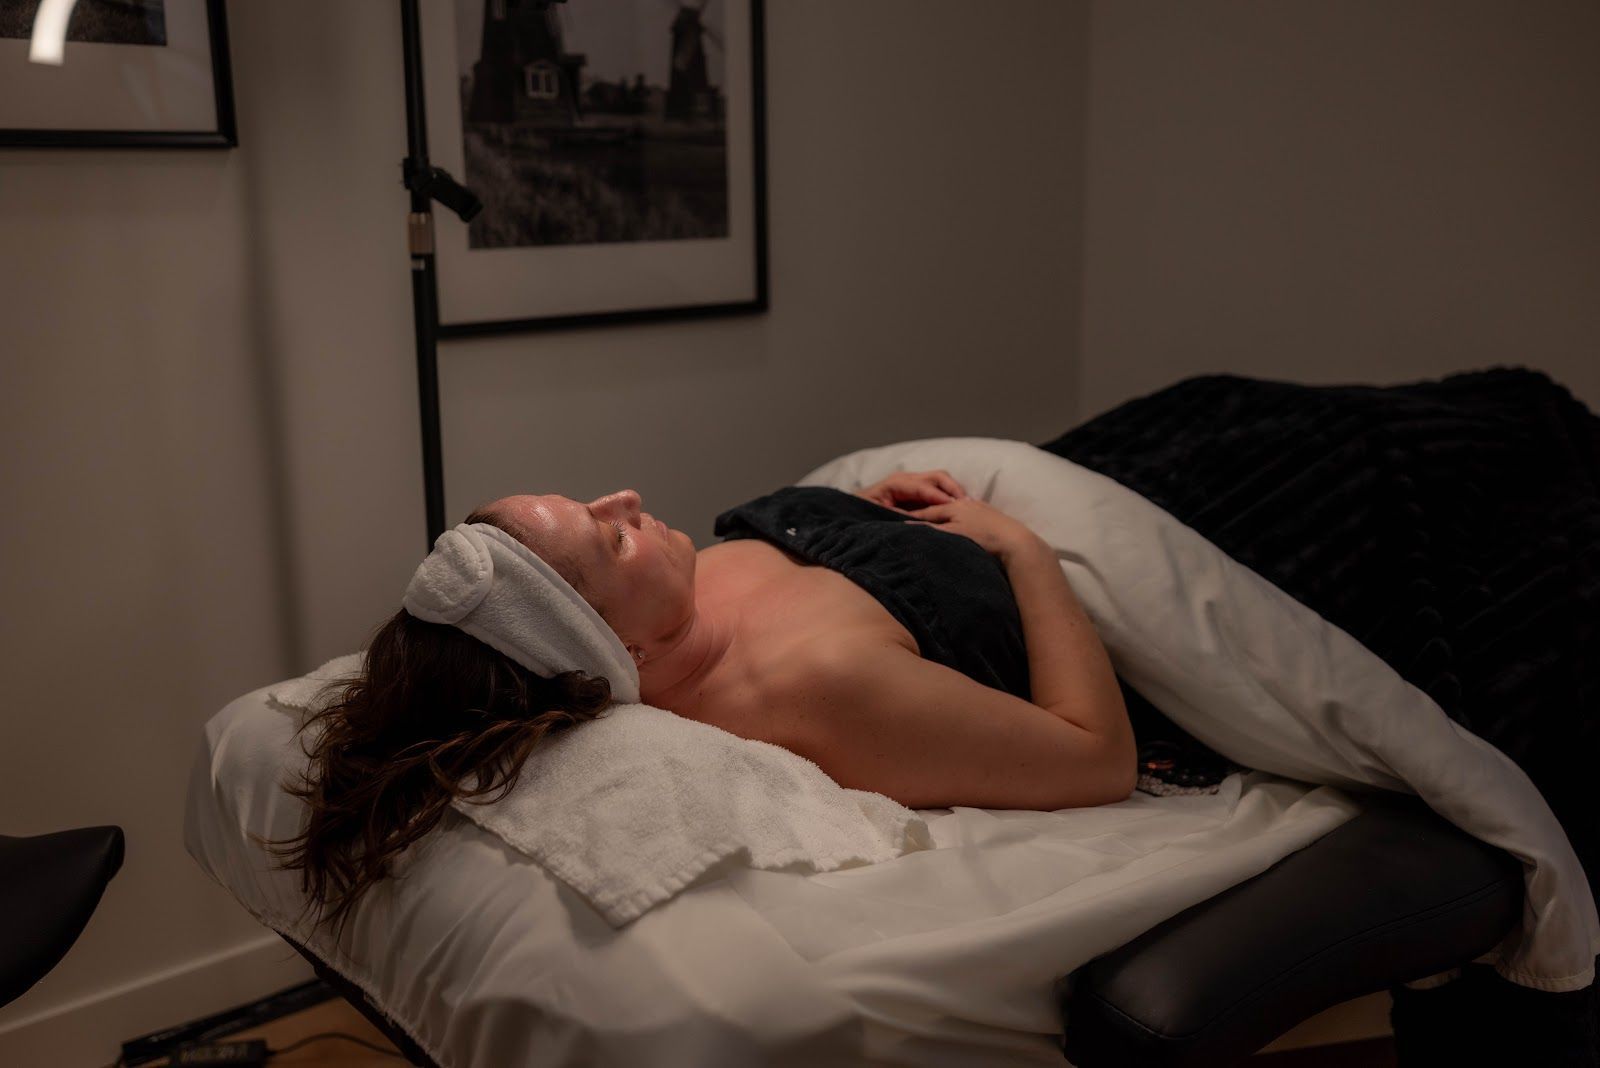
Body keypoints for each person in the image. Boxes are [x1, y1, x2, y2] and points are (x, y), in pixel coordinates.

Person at [270, 470, 1136, 932]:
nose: (628, 498)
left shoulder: (677, 600)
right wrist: (1026, 553)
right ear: (625, 651)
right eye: (613, 535)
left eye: (590, 502)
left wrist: (862, 513)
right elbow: (1097, 756)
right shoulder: (818, 689)